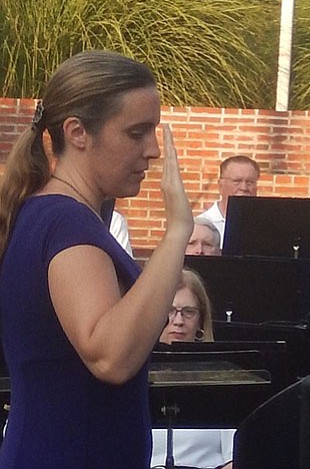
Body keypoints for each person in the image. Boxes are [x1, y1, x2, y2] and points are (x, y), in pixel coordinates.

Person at [0, 50, 193, 467]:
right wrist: (177, 231)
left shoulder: (44, 214)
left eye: (153, 132)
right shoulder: (66, 224)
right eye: (136, 133)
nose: (153, 150)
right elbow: (110, 356)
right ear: (78, 133)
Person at [152, 268, 234, 469]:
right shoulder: (131, 376)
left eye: (188, 312)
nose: (178, 321)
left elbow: (236, 457)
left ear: (201, 320)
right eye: (169, 311)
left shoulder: (223, 380)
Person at [199, 155, 260, 248]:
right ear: (220, 185)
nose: (244, 188)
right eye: (237, 181)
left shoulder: (265, 226)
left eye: (250, 182)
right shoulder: (202, 226)